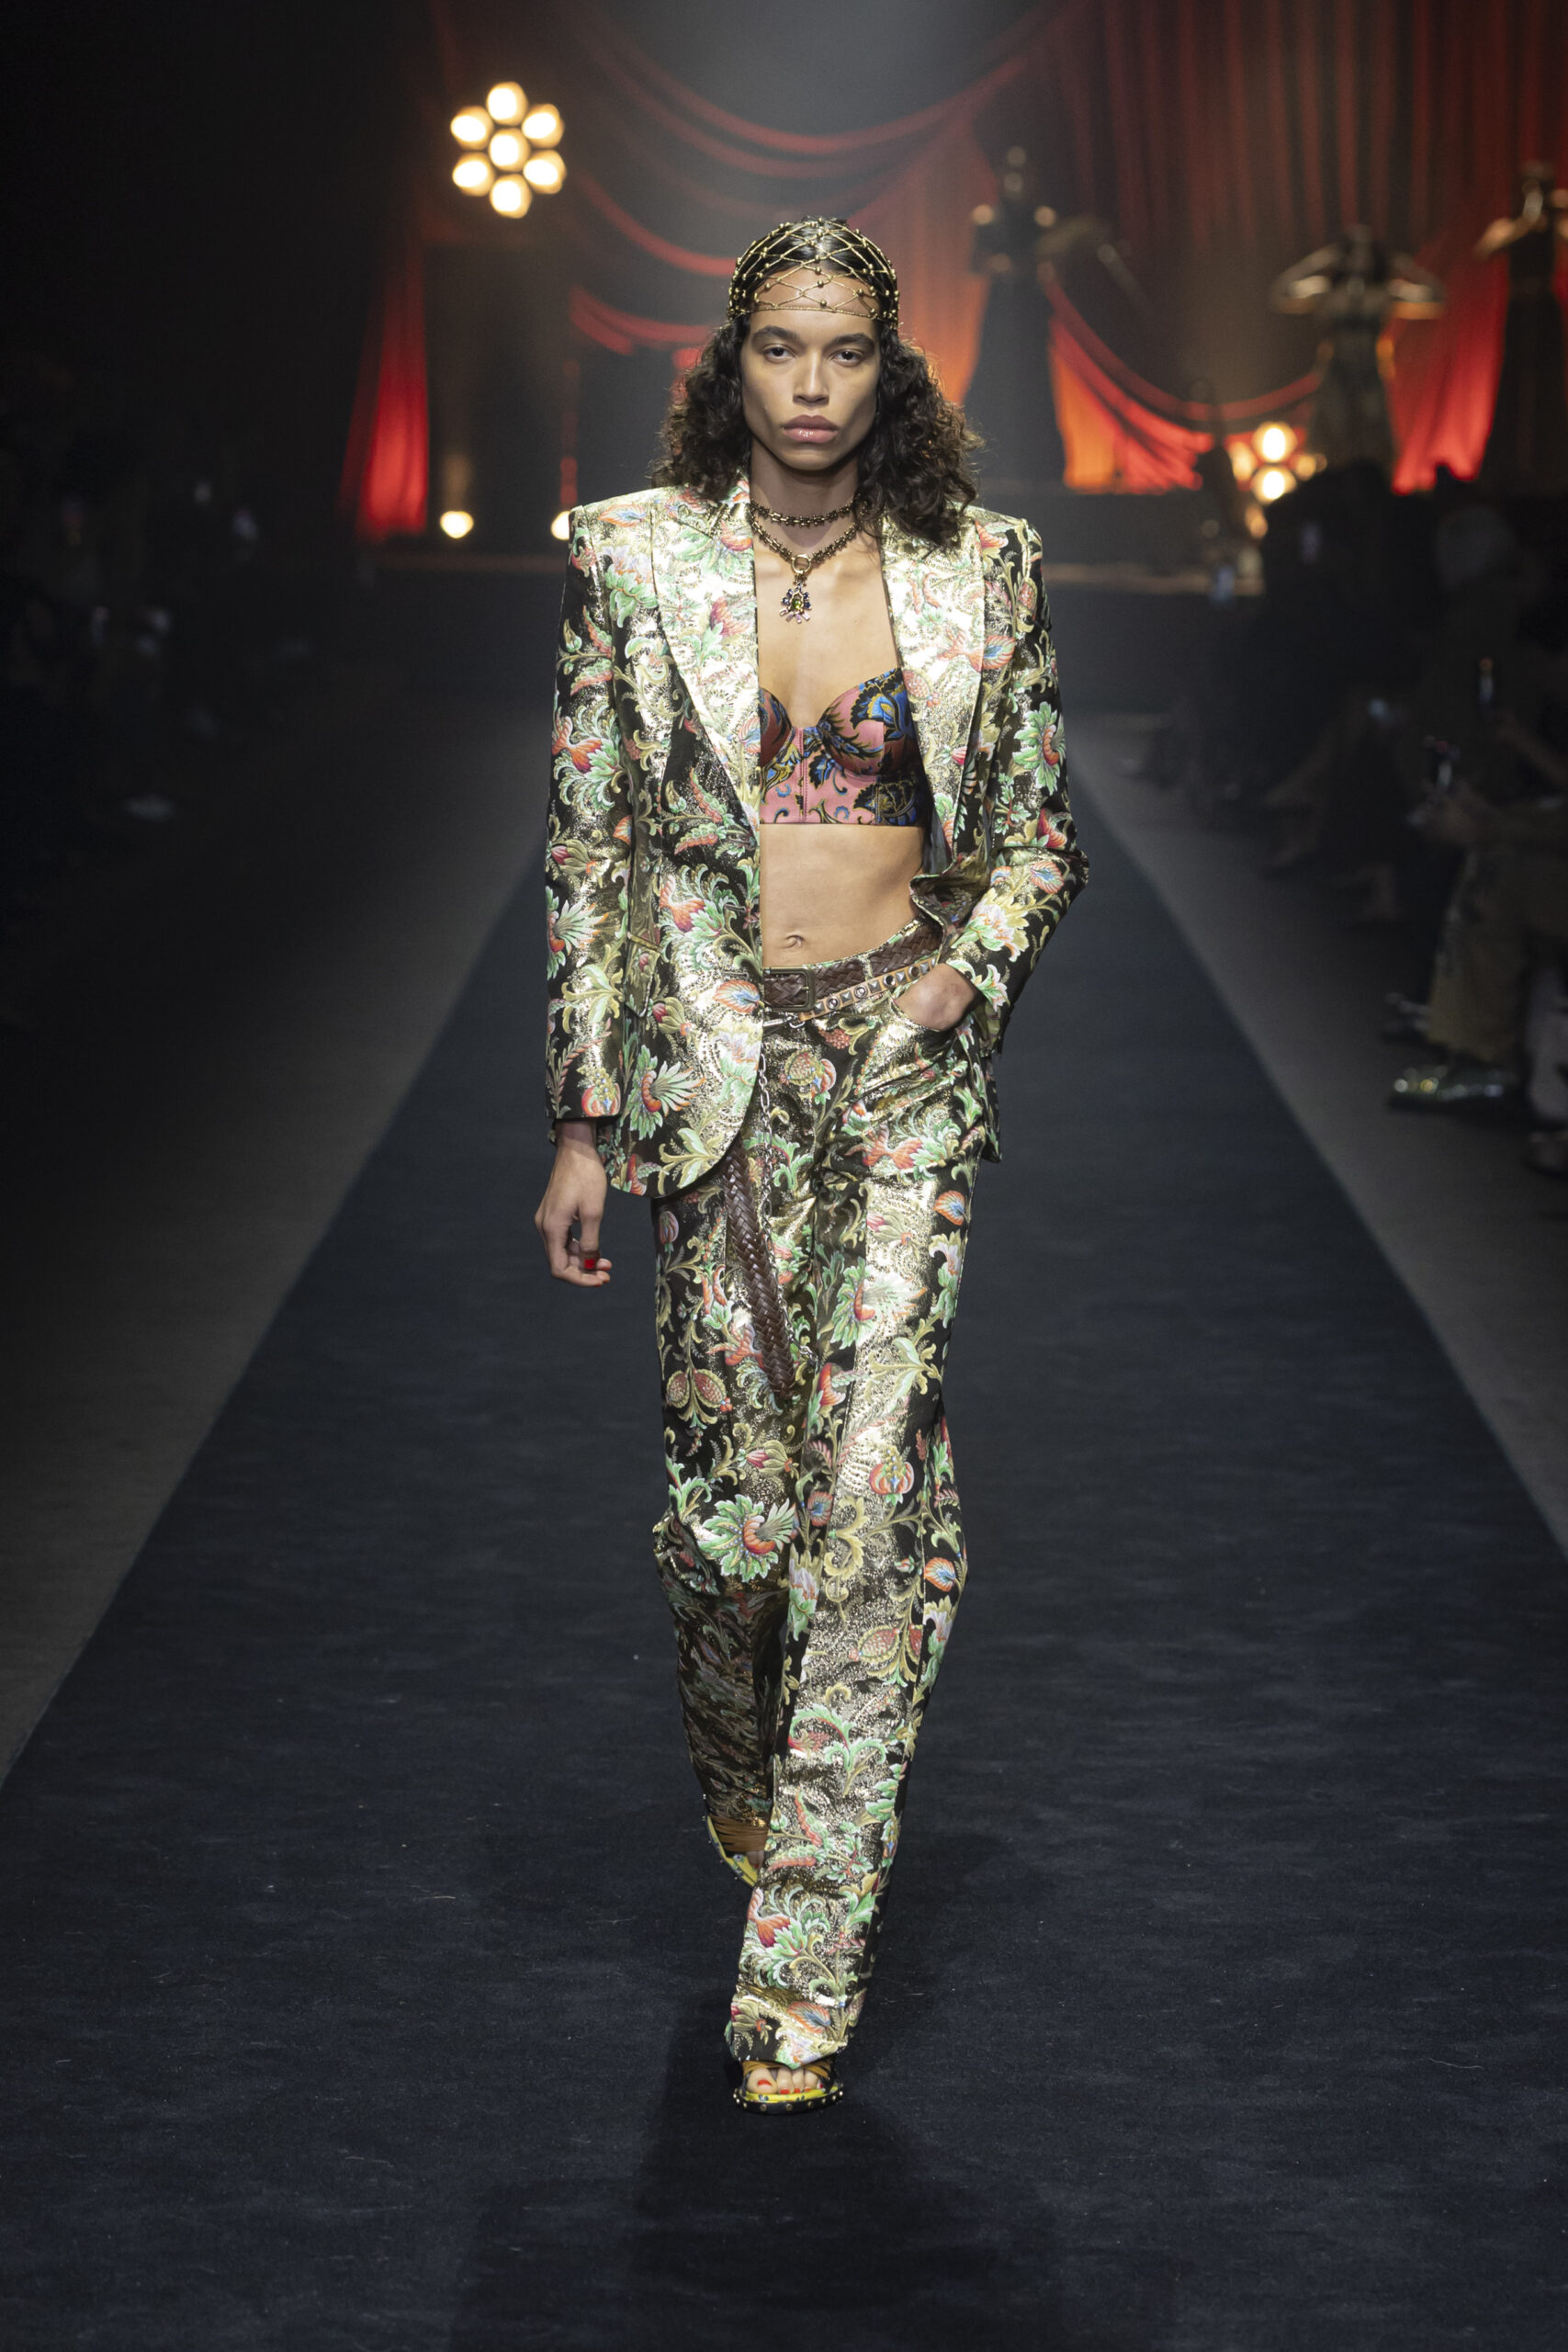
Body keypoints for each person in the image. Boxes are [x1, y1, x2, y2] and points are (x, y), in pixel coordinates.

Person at [536, 217, 1087, 2112]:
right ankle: (741, 1766)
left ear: (889, 369)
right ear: (731, 359)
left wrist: (963, 976)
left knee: (868, 1509)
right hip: (715, 1079)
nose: (811, 384)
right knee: (729, 1534)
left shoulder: (977, 570)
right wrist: (582, 1119)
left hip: (901, 1071)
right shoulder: (630, 559)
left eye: (846, 351)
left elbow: (1035, 843)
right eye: (781, 346)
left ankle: (799, 1978)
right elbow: (593, 850)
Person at [1270, 227, 1444, 476]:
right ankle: (1335, 486)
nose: (1360, 258)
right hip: (1337, 372)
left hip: (1370, 373)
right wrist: (1320, 260)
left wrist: (1405, 266)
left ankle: (1372, 488)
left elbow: (1437, 298)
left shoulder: (1384, 292)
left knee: (1372, 439)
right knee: (1334, 437)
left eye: (1366, 252)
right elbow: (1280, 293)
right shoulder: (1328, 291)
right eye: (1354, 251)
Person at [1476, 163, 1568, 497]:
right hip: (1518, 308)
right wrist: (1526, 225)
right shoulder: (1508, 225)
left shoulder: (1556, 226)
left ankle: (1551, 462)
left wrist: (1555, 214)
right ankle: (1506, 463)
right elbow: (1484, 250)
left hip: (1544, 308)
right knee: (1513, 378)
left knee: (1549, 381)